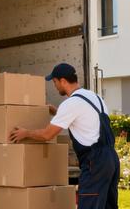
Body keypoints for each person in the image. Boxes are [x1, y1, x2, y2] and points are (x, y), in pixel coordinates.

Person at [9, 63, 119, 209]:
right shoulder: (93, 96)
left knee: (89, 205)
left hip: (95, 163)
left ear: (62, 81)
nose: (55, 86)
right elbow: (81, 118)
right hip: (111, 159)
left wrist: (26, 133)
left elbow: (47, 135)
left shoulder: (71, 103)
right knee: (108, 206)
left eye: (54, 82)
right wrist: (56, 112)